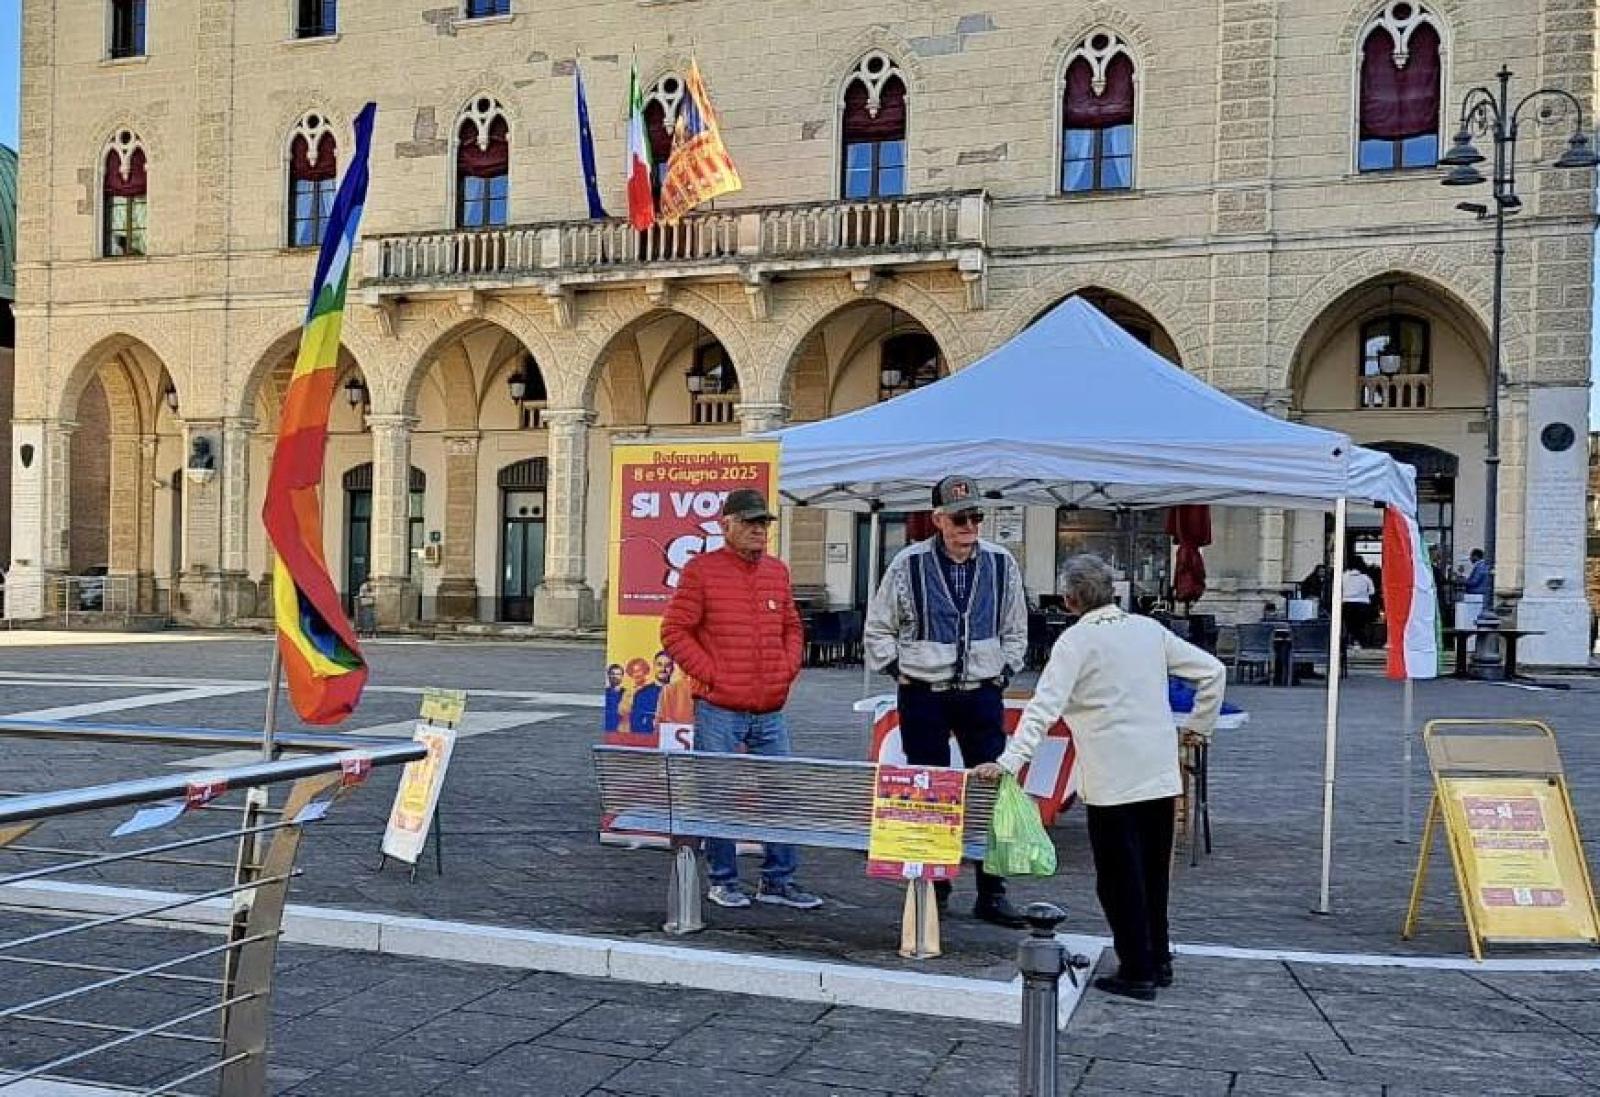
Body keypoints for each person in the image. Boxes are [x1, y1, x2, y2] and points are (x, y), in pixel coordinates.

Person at [974, 554, 1224, 1001]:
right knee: (1152, 874)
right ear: (1113, 591)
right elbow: (1213, 671)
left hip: (1112, 777)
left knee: (1117, 878)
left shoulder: (1075, 642)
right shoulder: (1149, 630)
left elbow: (1042, 711)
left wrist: (1009, 762)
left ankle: (1137, 969)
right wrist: (1198, 728)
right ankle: (1158, 957)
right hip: (1158, 771)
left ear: (1069, 600)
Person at [865, 474, 1030, 928]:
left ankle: (992, 891)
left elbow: (1016, 622)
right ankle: (934, 887)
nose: (970, 524)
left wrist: (1005, 670)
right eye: (961, 517)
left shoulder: (1001, 562)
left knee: (990, 790)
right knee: (928, 790)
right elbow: (878, 626)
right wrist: (899, 668)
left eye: (977, 516)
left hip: (981, 691)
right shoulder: (908, 563)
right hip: (924, 694)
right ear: (938, 519)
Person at [660, 488, 822, 911]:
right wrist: (713, 676)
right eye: (749, 522)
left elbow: (791, 626)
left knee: (781, 792)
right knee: (717, 793)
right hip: (719, 707)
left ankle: (778, 880)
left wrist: (787, 668)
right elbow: (674, 632)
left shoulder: (777, 571)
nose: (758, 530)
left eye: (763, 523)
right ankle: (723, 879)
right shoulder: (701, 571)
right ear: (725, 525)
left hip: (770, 707)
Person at [1340, 559, 1375, 648]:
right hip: (1363, 603)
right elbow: (1372, 592)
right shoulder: (1365, 577)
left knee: (1349, 624)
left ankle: (1350, 642)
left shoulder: (1344, 576)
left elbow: (1339, 589)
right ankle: (1361, 642)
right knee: (1361, 624)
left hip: (1347, 603)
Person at [602, 663, 626, 733]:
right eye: (612, 674)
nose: (615, 676)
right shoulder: (605, 693)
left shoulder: (627, 694)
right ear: (608, 676)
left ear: (622, 676)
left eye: (618, 674)